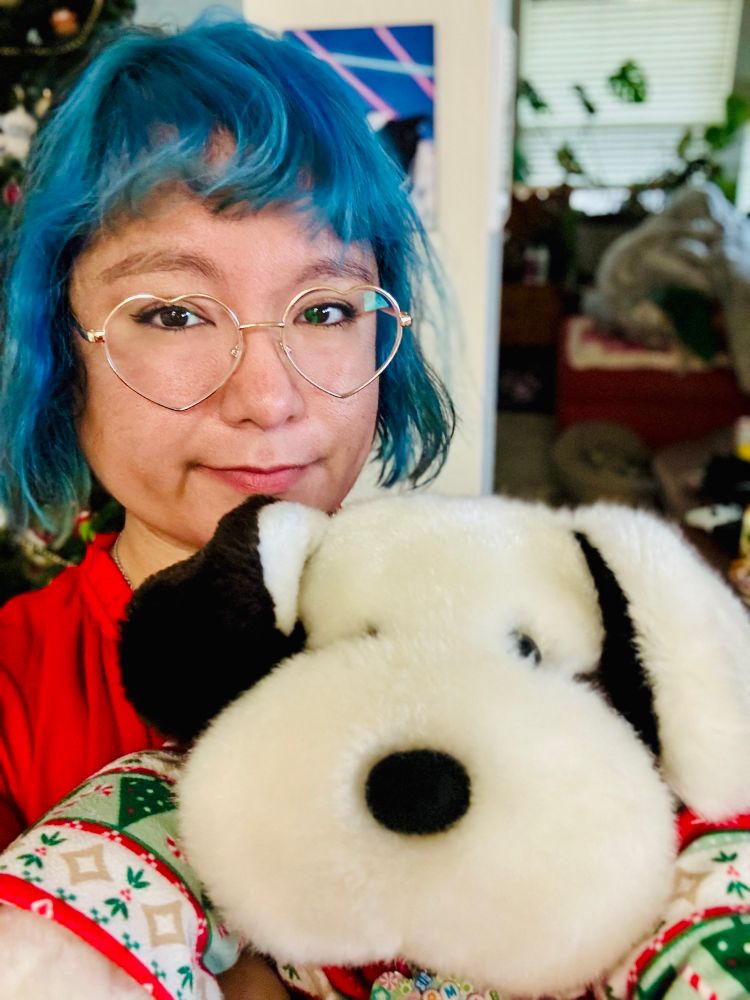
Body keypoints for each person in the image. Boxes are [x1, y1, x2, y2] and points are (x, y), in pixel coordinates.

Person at [0, 10, 454, 995]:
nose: (269, 397)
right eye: (173, 313)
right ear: (62, 354)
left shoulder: (499, 647)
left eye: (325, 308)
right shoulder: (13, 695)